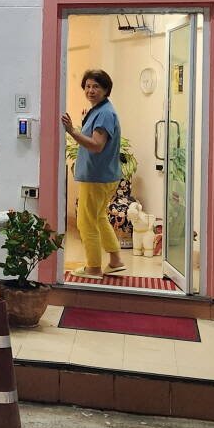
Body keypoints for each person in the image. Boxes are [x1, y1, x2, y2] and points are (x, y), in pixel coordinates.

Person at [61, 69, 127, 276]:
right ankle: (115, 260)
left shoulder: (105, 113)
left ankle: (93, 267)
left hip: (97, 177)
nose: (91, 90)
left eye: (96, 86)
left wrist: (72, 131)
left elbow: (97, 145)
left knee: (86, 222)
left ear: (106, 89)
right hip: (102, 175)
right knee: (99, 217)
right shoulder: (100, 110)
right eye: (88, 86)